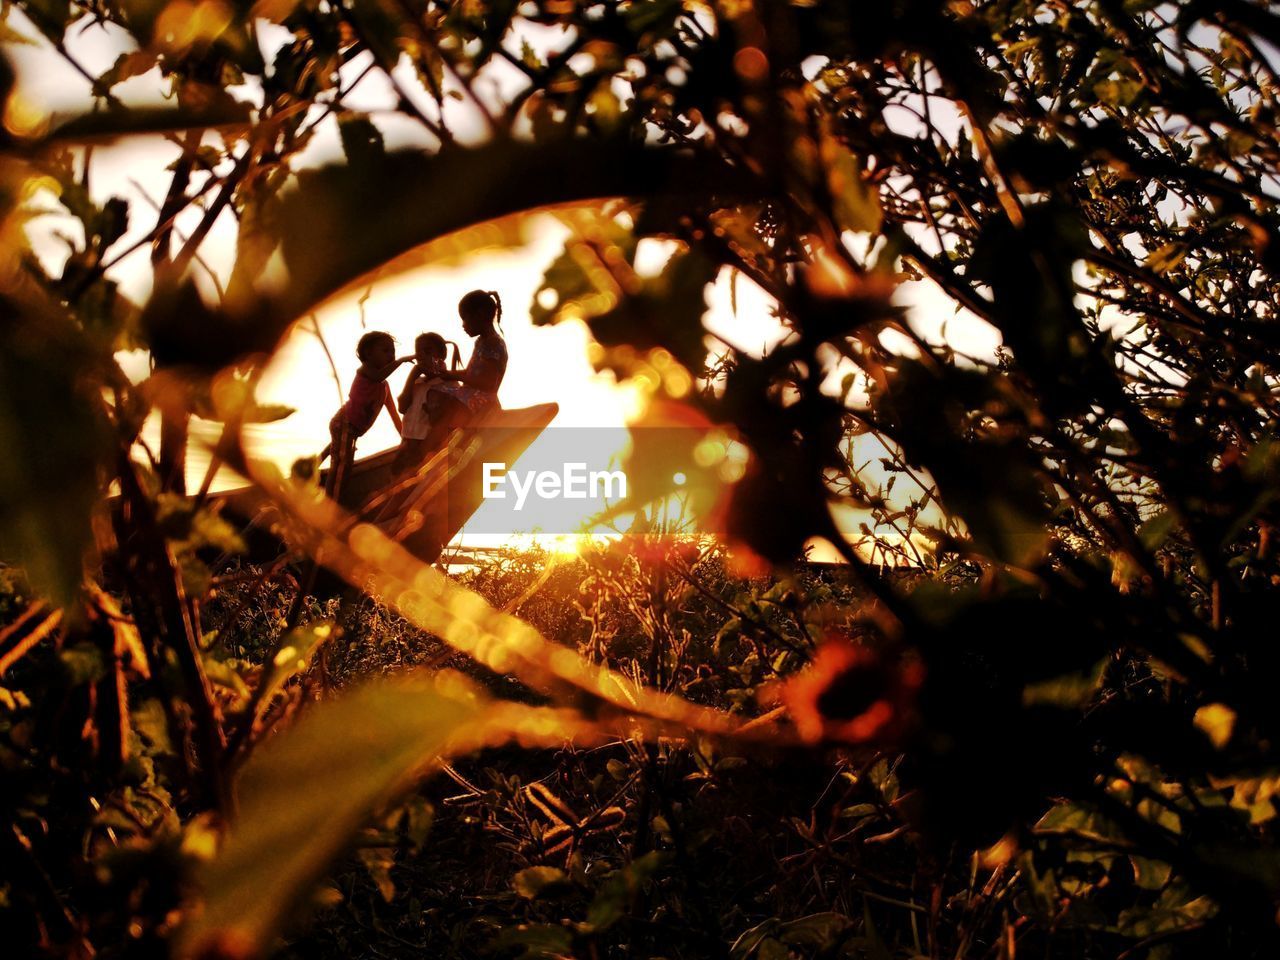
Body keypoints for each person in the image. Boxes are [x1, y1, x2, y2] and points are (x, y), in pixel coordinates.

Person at [320, 330, 413, 496]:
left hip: (353, 430)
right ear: (368, 354)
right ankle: (329, 502)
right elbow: (377, 376)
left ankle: (315, 466)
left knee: (344, 462)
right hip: (344, 423)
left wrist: (404, 437)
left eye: (393, 351)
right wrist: (401, 361)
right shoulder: (365, 371)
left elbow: (393, 413)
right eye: (385, 351)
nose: (391, 355)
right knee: (341, 466)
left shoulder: (384, 387)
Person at [425, 290, 508, 447]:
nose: (463, 325)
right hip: (471, 394)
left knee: (446, 404)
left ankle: (436, 445)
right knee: (432, 392)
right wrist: (449, 374)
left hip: (483, 400)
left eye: (465, 319)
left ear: (480, 315)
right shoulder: (481, 342)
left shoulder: (494, 344)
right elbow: (471, 372)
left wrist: (456, 377)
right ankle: (439, 442)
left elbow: (487, 383)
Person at [391, 332, 454, 476]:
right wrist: (413, 375)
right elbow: (402, 407)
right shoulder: (417, 382)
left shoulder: (448, 384)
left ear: (442, 355)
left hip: (427, 447)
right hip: (407, 443)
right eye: (418, 352)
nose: (421, 356)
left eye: (427, 351)